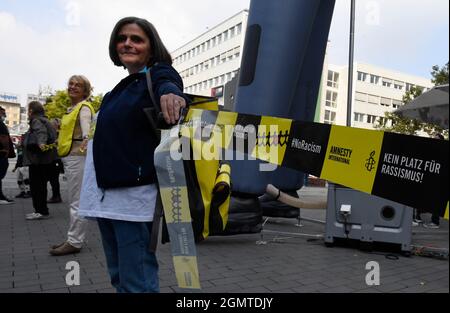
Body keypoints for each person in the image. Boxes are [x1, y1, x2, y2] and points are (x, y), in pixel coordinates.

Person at [78, 16, 187, 293]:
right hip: (105, 198)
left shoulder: (157, 74)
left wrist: (172, 94)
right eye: (122, 38)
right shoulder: (117, 90)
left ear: (151, 47)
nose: (127, 43)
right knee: (119, 278)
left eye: (136, 39)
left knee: (136, 281)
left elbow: (168, 80)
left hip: (133, 201)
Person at [49, 75, 94, 256]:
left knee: (77, 201)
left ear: (85, 90)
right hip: (72, 158)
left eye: (78, 85)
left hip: (78, 157)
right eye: (71, 84)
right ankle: (73, 238)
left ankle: (74, 241)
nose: (73, 87)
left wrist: (85, 141)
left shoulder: (83, 108)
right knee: (75, 199)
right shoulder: (72, 109)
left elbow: (87, 132)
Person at [23, 101, 58, 220]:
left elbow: (41, 132)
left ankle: (40, 211)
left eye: (28, 110)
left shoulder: (36, 120)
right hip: (46, 159)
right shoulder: (46, 120)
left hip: (37, 159)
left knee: (37, 186)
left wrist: (41, 143)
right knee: (41, 185)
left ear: (31, 111)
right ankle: (42, 210)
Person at [423, 132, 445, 229]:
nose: (434, 140)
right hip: (434, 179)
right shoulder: (434, 149)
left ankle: (435, 222)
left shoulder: (443, 150)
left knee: (437, 200)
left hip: (440, 180)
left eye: (436, 139)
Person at [0, 106, 16, 204]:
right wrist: (6, 150)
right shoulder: (1, 125)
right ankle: (0, 197)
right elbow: (3, 137)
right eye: (2, 113)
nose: (4, 115)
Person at [47, 118, 63, 204]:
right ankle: (56, 196)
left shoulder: (57, 134)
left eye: (51, 124)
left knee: (54, 179)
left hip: (55, 159)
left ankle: (56, 196)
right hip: (54, 159)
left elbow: (55, 146)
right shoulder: (57, 134)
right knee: (53, 179)